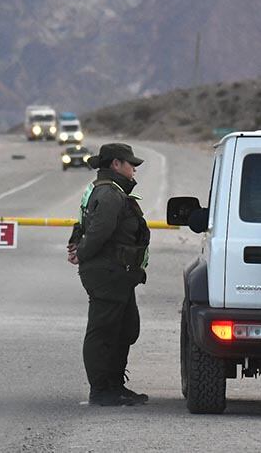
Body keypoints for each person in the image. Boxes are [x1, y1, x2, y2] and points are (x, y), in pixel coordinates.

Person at [66, 142, 151, 406]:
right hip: (108, 273)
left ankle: (115, 384)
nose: (134, 170)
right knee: (103, 331)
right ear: (116, 164)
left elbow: (86, 226)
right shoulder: (110, 194)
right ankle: (101, 390)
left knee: (125, 329)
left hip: (119, 274)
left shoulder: (108, 191)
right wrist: (81, 253)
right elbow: (99, 230)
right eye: (131, 164)